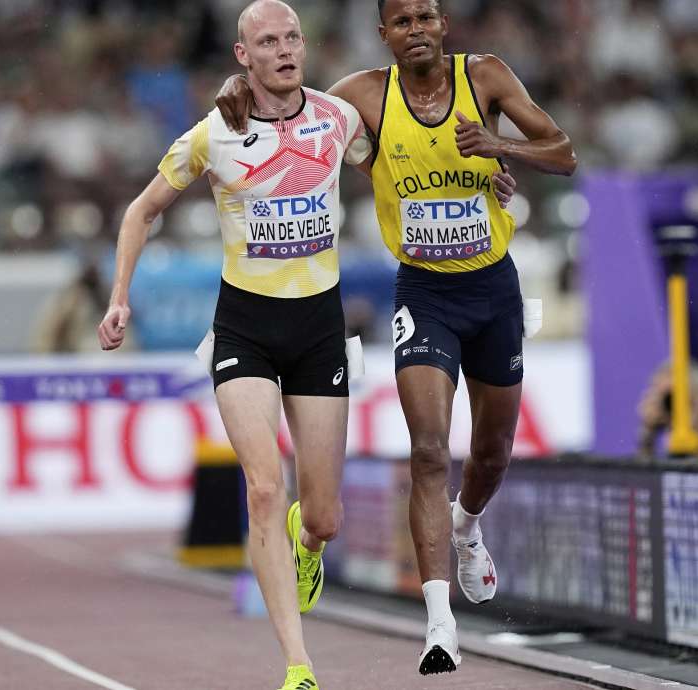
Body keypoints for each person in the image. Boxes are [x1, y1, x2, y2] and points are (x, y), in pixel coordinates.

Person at [214, 0, 576, 675]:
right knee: (430, 450)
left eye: (426, 18)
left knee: (492, 451)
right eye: (401, 21)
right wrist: (236, 87)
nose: (416, 30)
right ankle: (441, 628)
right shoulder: (362, 96)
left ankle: (467, 526)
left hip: (492, 288)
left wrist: (499, 146)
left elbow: (564, 153)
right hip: (424, 293)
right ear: (384, 35)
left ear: (444, 25)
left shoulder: (487, 77)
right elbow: (289, 100)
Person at [98, 3, 370, 688]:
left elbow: (396, 171)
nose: (283, 50)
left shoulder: (338, 120)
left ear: (303, 46)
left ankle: (310, 539)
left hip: (318, 327)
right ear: (242, 56)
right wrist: (119, 296)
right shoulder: (213, 135)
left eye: (291, 38)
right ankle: (299, 665)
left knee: (325, 514)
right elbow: (140, 211)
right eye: (266, 42)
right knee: (261, 489)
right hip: (244, 326)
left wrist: (481, 182)